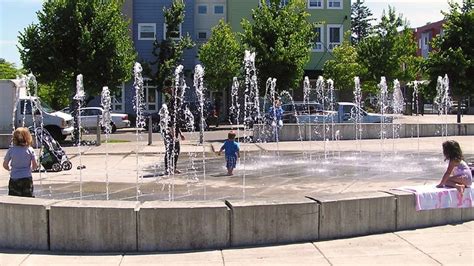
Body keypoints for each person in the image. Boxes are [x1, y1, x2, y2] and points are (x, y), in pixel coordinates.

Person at [3, 127, 38, 197]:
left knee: (14, 199)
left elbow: (5, 165)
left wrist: (10, 169)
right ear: (28, 137)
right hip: (27, 177)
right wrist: (30, 169)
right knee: (28, 199)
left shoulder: (11, 150)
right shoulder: (30, 150)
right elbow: (35, 165)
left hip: (14, 178)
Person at [163, 81, 185, 175]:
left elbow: (176, 123)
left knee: (176, 149)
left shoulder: (176, 111)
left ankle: (174, 168)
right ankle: (167, 169)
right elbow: (169, 121)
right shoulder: (170, 107)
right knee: (169, 149)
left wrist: (180, 133)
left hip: (174, 131)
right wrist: (172, 132)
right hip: (169, 131)